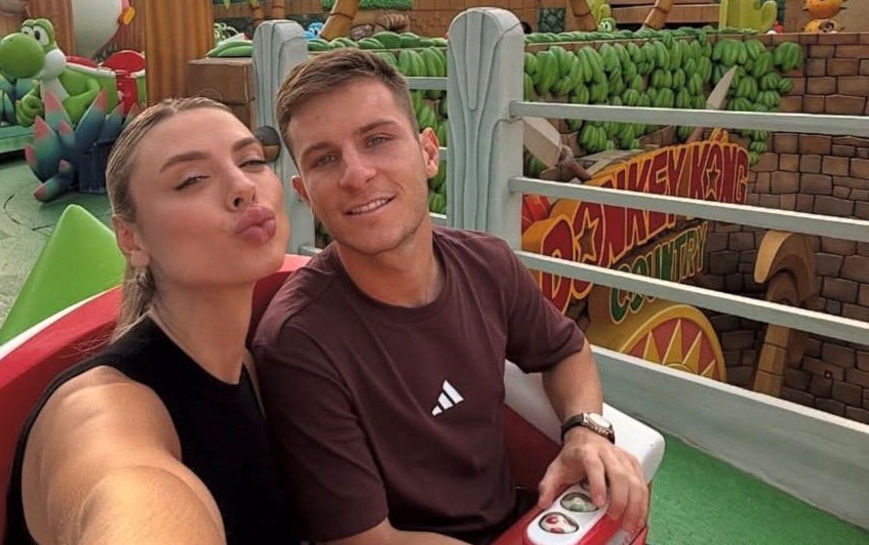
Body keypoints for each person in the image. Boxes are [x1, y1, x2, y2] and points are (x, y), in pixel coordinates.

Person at [251, 49, 649, 545]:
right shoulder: (299, 343)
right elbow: (370, 541)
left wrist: (585, 431)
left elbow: (564, 350)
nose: (356, 174)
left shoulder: (487, 263)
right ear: (305, 192)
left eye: (377, 140)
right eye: (325, 159)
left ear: (428, 153)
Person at [5, 97, 298, 545]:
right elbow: (125, 491)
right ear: (131, 239)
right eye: (192, 179)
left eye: (252, 161)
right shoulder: (98, 411)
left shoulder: (247, 367)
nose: (242, 185)